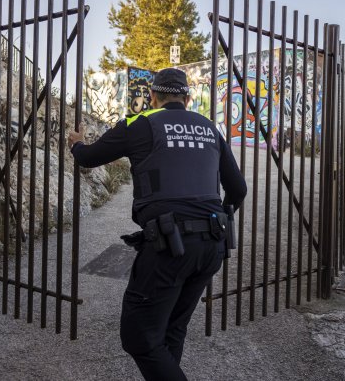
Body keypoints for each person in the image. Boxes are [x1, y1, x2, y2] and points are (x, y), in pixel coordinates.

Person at [68, 68, 247, 381]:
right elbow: (239, 189)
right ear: (188, 98)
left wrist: (77, 144)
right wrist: (218, 218)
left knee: (139, 338)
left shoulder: (140, 123)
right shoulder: (209, 127)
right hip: (213, 244)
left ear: (152, 96)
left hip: (169, 246)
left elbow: (89, 157)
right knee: (171, 331)